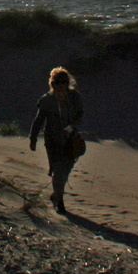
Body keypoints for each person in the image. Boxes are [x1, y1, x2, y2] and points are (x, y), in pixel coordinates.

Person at [29, 66, 83, 213]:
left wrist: (72, 126)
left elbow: (80, 114)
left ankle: (56, 194)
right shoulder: (46, 101)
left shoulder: (74, 97)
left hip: (70, 140)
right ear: (52, 84)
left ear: (67, 83)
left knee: (65, 169)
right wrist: (33, 138)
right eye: (57, 82)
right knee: (58, 169)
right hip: (53, 141)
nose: (60, 85)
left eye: (63, 82)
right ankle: (60, 201)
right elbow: (38, 120)